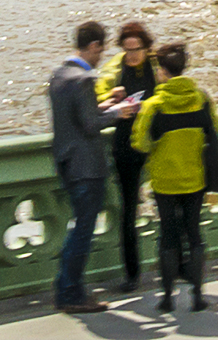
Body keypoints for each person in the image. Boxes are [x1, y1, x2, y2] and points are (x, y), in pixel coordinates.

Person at [46, 20, 140, 315]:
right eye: (101, 49)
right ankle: (71, 294)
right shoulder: (85, 80)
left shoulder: (59, 75)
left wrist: (106, 103)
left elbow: (78, 115)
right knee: (82, 231)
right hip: (87, 166)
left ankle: (66, 289)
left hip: (65, 161)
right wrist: (119, 112)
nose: (101, 56)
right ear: (94, 46)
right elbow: (90, 125)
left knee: (77, 227)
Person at [129, 40, 218, 314]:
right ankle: (197, 296)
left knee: (168, 235)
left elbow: (141, 143)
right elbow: (214, 130)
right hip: (194, 179)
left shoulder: (154, 105)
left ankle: (168, 298)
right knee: (195, 233)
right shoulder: (202, 98)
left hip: (164, 182)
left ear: (162, 71)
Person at [104, 21, 158, 291]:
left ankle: (176, 264)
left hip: (156, 145)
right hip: (125, 146)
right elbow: (97, 94)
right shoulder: (116, 69)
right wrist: (111, 99)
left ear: (146, 47)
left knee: (169, 205)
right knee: (128, 212)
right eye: (127, 50)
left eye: (136, 49)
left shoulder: (158, 67)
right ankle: (132, 274)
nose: (132, 55)